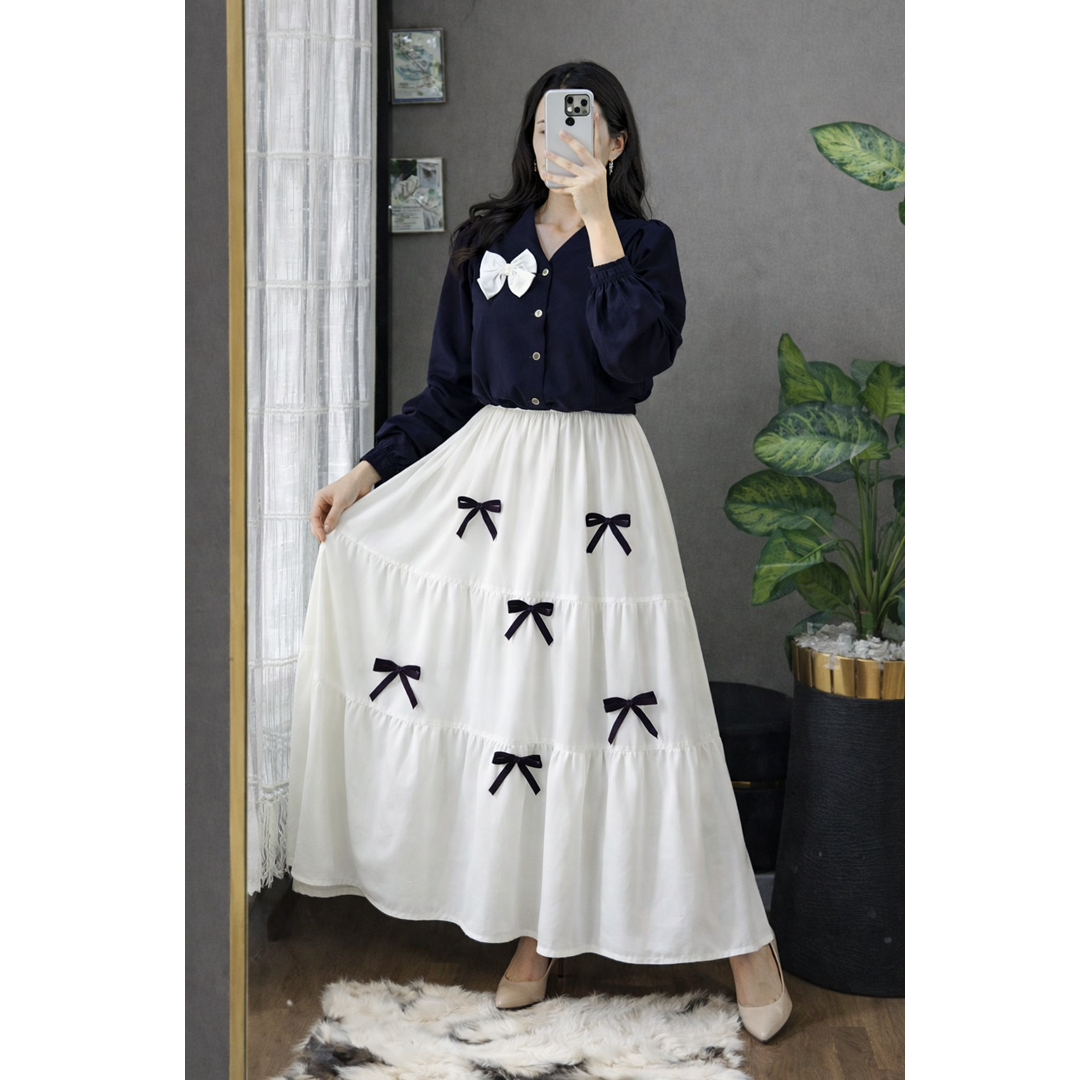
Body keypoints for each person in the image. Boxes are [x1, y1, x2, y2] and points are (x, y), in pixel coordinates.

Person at [286, 60, 792, 1042]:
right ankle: (540, 930)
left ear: (615, 141)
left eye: (583, 124)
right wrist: (365, 474)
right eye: (546, 125)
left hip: (602, 502)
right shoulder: (485, 243)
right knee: (524, 716)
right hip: (495, 501)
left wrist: (596, 219)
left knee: (644, 709)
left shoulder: (645, 246)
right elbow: (449, 390)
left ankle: (746, 943)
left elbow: (635, 357)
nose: (559, 139)